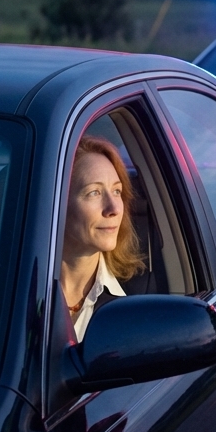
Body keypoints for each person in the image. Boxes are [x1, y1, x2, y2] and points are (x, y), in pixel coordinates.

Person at [61, 135, 144, 340]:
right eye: (94, 193)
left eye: (117, 191)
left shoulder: (137, 296)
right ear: (58, 203)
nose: (114, 209)